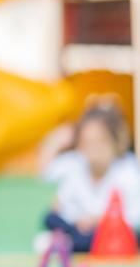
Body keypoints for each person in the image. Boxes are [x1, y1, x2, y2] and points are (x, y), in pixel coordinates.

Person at [41, 106, 140, 252]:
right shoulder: (75, 165)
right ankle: (68, 242)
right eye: (88, 143)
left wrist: (100, 220)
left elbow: (134, 215)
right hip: (80, 228)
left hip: (114, 231)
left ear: (115, 142)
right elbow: (48, 178)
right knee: (50, 219)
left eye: (100, 142)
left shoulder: (127, 170)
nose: (94, 149)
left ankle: (69, 243)